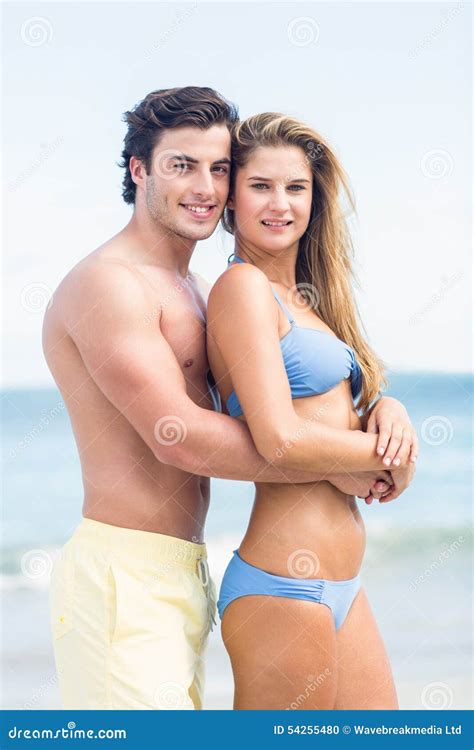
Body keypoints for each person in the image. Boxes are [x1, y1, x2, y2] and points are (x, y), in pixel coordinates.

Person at [42, 87, 416, 710]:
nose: (206, 187)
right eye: (182, 165)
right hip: (124, 573)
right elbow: (182, 435)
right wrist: (354, 459)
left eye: (218, 168)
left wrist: (379, 412)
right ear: (139, 171)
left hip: (186, 564)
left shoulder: (194, 289)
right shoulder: (109, 284)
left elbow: (287, 405)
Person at [206, 112, 418, 710]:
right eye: (260, 186)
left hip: (343, 583)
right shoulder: (242, 288)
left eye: (296, 188)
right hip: (283, 585)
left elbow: (330, 412)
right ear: (230, 199)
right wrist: (384, 458)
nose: (280, 204)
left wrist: (388, 409)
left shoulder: (307, 301)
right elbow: (279, 438)